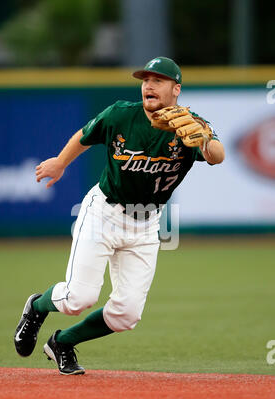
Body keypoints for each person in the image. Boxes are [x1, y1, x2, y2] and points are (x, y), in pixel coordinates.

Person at [14, 57, 225, 375]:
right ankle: (37, 306)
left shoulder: (190, 125)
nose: (149, 85)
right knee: (78, 298)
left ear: (176, 89)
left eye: (158, 80)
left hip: (146, 223)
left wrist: (204, 139)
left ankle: (62, 343)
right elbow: (86, 135)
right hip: (104, 213)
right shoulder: (121, 114)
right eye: (145, 80)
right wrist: (60, 162)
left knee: (127, 314)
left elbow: (217, 157)